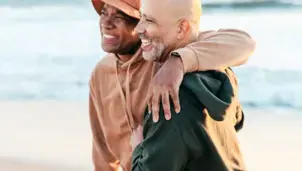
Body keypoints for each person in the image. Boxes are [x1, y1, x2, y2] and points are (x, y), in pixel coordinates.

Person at [89, 0, 255, 170]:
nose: (106, 23)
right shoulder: (101, 73)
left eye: (119, 16)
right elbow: (102, 150)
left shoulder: (162, 51)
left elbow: (243, 42)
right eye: (104, 13)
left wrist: (178, 61)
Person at [131, 0, 247, 170]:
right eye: (141, 18)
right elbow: (237, 120)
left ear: (181, 29)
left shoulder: (170, 100)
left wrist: (137, 147)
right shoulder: (223, 72)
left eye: (149, 20)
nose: (138, 29)